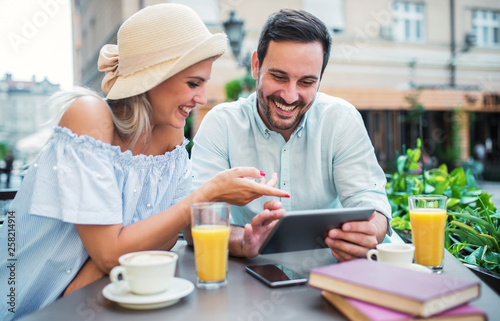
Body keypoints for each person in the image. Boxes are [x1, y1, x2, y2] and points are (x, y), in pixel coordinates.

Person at [0, 4, 288, 320]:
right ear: (152, 78)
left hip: (94, 300)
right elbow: (113, 254)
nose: (203, 98)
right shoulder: (89, 115)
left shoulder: (172, 137)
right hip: (25, 295)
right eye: (193, 83)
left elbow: (166, 237)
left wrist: (242, 240)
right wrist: (208, 193)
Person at [189, 9, 391, 261]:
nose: (290, 95)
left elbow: (371, 200)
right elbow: (195, 220)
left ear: (320, 79)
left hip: (330, 276)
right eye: (278, 76)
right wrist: (243, 240)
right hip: (250, 281)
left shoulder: (341, 119)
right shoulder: (221, 124)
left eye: (306, 82)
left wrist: (370, 231)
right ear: (255, 65)